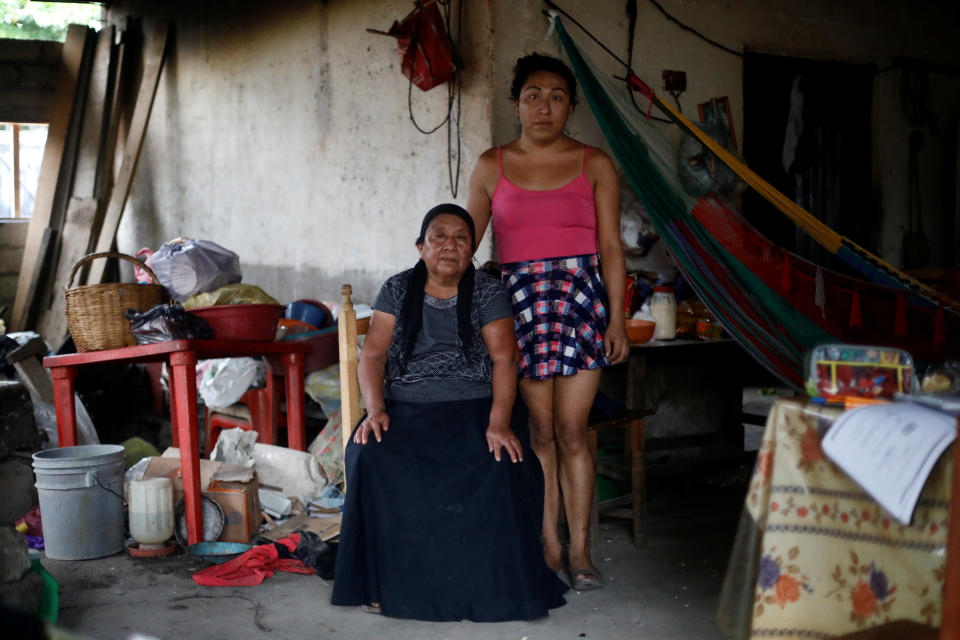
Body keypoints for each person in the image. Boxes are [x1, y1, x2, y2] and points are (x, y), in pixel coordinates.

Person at [331, 203, 568, 621]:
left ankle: (488, 585)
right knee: (370, 455)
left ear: (472, 249)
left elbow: (504, 360)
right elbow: (372, 354)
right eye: (438, 236)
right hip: (406, 408)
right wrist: (375, 409)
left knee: (502, 463)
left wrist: (498, 423)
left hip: (473, 409)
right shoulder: (398, 288)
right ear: (420, 246)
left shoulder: (488, 291)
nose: (449, 246)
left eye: (461, 238)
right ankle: (384, 582)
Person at [466, 54, 630, 591]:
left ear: (570, 106)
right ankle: (548, 544)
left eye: (557, 96)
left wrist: (618, 319)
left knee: (572, 432)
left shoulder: (596, 163)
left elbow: (609, 246)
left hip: (582, 301)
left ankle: (581, 552)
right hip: (521, 305)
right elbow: (462, 242)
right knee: (538, 430)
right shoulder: (492, 165)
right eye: (533, 94)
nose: (544, 106)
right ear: (516, 103)